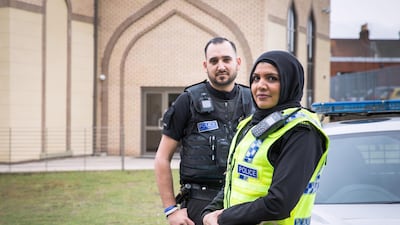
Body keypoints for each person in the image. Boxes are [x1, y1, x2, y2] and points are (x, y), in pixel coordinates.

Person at [201, 50, 330, 225]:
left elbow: (279, 203)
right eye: (256, 78)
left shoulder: (302, 132)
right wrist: (211, 211)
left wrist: (224, 217)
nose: (260, 85)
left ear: (290, 83)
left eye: (272, 78)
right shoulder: (250, 124)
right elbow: (234, 180)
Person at [154, 37, 254, 225]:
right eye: (214, 61)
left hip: (242, 200)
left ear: (238, 62)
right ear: (205, 65)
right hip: (199, 202)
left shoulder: (254, 101)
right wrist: (171, 210)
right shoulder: (188, 101)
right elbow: (161, 157)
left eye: (226, 59)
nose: (221, 66)